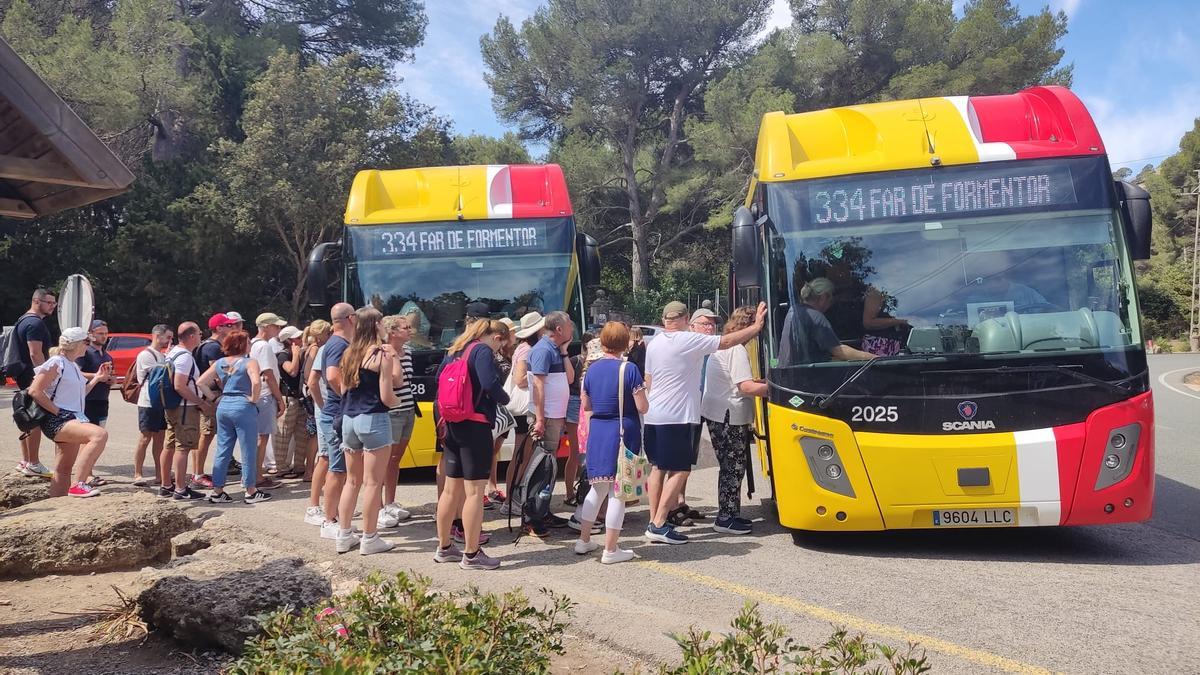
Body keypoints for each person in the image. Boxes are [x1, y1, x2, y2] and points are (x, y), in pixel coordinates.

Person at [643, 300, 766, 545]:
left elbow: (649, 380)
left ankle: (656, 519)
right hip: (676, 416)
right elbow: (728, 342)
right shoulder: (687, 339)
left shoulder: (655, 343)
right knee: (681, 470)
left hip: (654, 415)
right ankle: (657, 524)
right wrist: (757, 326)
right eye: (704, 323)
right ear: (687, 320)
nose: (709, 327)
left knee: (658, 468)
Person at [433, 319, 510, 570]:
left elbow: (438, 378)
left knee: (450, 490)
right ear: (494, 336)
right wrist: (504, 398)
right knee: (475, 492)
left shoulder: (456, 348)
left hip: (452, 423)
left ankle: (444, 547)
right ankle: (472, 552)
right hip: (475, 424)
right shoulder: (482, 350)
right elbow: (489, 383)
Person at [573, 322, 649, 563]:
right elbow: (642, 406)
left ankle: (584, 540)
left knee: (597, 488)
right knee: (619, 492)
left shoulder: (590, 370)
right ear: (625, 343)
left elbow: (586, 405)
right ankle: (611, 549)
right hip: (622, 430)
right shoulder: (629, 369)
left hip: (598, 430)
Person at [334, 307, 400, 556]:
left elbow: (342, 390)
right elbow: (387, 394)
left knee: (352, 480)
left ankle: (343, 534)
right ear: (375, 325)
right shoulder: (380, 354)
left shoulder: (349, 353)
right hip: (373, 417)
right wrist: (397, 403)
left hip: (349, 418)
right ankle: (370, 537)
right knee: (373, 483)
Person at [700, 306, 769, 535]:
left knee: (728, 466)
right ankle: (726, 517)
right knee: (733, 467)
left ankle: (728, 513)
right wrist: (775, 389)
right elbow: (745, 387)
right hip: (729, 415)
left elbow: (736, 379)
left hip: (716, 412)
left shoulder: (723, 346)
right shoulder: (737, 350)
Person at [27, 327, 110, 497]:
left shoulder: (71, 365)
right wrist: (57, 411)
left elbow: (79, 395)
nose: (88, 345)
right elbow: (34, 391)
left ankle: (56, 504)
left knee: (63, 470)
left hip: (70, 417)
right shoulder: (56, 362)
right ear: (77, 344)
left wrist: (96, 379)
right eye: (86, 342)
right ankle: (79, 483)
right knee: (99, 435)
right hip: (58, 420)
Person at [196, 330, 269, 504]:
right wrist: (254, 398)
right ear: (243, 345)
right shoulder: (249, 362)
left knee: (223, 449)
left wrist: (214, 397)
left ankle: (218, 490)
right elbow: (257, 382)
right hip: (243, 406)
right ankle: (250, 490)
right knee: (248, 448)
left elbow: (201, 382)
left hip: (224, 404)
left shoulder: (220, 362)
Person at [524, 310, 575, 537]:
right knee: (542, 469)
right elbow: (538, 387)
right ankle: (533, 518)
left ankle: (542, 512)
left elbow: (570, 379)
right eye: (569, 326)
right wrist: (541, 419)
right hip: (547, 417)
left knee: (549, 468)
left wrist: (564, 353)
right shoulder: (543, 350)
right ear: (559, 330)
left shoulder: (554, 349)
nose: (573, 329)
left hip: (554, 415)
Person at [311, 303, 354, 538]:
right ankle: (329, 520)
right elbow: (332, 375)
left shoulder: (334, 343)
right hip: (337, 412)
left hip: (333, 411)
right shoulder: (338, 344)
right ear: (350, 318)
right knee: (337, 468)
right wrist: (349, 397)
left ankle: (332, 515)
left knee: (337, 466)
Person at [161, 322, 214, 501]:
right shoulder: (185, 357)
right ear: (191, 336)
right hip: (185, 408)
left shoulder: (172, 353)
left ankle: (166, 484)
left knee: (169, 445)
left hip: (172, 406)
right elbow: (179, 385)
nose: (201, 336)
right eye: (199, 333)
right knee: (183, 447)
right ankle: (180, 489)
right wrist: (201, 402)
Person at [778, 278, 875, 366]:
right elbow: (839, 351)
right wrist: (874, 358)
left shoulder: (794, 311)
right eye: (831, 299)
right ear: (824, 297)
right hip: (808, 379)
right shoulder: (816, 317)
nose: (831, 304)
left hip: (791, 376)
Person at [12, 288, 55, 478]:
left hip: (24, 375)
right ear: (37, 301)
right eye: (49, 302)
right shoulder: (34, 323)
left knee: (25, 417)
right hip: (31, 377)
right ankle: (34, 463)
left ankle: (26, 461)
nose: (52, 306)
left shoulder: (23, 319)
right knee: (33, 419)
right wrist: (43, 376)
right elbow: (35, 353)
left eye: (54, 303)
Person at [193, 313, 239, 489]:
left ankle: (200, 472)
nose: (232, 328)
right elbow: (219, 374)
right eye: (228, 326)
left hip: (210, 396)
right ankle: (197, 474)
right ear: (219, 328)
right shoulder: (212, 347)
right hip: (210, 398)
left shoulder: (210, 345)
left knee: (207, 435)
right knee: (206, 435)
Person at [502, 312, 542, 504]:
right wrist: (539, 375)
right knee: (522, 454)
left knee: (522, 453)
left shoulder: (522, 347)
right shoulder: (527, 350)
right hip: (524, 409)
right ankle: (512, 497)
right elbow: (519, 379)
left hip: (523, 409)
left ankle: (512, 495)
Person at [381, 314, 416, 526]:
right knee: (384, 460)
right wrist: (393, 357)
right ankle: (378, 506)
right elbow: (394, 381)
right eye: (406, 327)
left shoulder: (408, 352)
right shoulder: (384, 352)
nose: (410, 330)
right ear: (392, 332)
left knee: (396, 460)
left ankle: (390, 501)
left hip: (408, 409)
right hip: (392, 412)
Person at [250, 313, 287, 489]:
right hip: (265, 395)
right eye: (276, 326)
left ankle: (255, 474)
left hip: (257, 394)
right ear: (265, 327)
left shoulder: (252, 343)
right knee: (262, 438)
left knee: (257, 437)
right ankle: (257, 477)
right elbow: (269, 374)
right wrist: (280, 398)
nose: (278, 329)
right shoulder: (263, 346)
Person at [132, 324, 172, 487]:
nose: (170, 341)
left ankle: (159, 474)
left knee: (160, 439)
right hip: (147, 402)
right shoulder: (145, 355)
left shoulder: (162, 355)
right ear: (157, 335)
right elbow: (159, 373)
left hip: (161, 403)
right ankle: (138, 473)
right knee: (145, 438)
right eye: (168, 337)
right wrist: (168, 360)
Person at [486, 316, 517, 508]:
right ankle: (488, 488)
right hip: (497, 406)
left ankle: (492, 486)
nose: (514, 336)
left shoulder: (509, 353)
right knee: (490, 449)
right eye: (512, 332)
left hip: (504, 409)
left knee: (495, 449)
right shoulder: (494, 355)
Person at [273, 325, 310, 479]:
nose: (301, 340)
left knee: (302, 434)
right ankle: (281, 467)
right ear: (289, 341)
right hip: (287, 398)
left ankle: (299, 465)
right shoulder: (282, 355)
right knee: (284, 435)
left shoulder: (299, 352)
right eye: (297, 338)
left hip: (299, 399)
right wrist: (295, 355)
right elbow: (292, 371)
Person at [299, 321, 331, 482]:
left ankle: (310, 470)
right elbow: (308, 376)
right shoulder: (316, 349)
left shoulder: (308, 347)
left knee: (315, 436)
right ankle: (310, 471)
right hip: (320, 398)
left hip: (316, 397)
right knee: (316, 437)